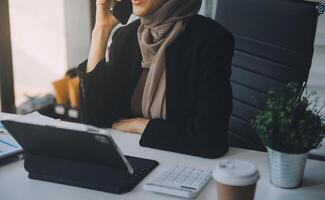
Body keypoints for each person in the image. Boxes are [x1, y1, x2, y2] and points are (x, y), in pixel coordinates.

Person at [78, 0, 234, 158]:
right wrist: (101, 30)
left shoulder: (211, 40)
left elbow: (211, 140)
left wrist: (141, 126)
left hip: (183, 163)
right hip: (133, 156)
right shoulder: (125, 38)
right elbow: (95, 119)